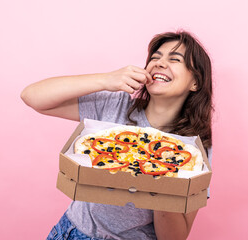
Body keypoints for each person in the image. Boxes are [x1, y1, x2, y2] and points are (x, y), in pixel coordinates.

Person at [21, 30, 213, 240]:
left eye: (175, 59)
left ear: (196, 82)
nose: (159, 63)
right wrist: (107, 79)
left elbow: (174, 237)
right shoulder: (116, 105)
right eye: (155, 57)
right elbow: (32, 96)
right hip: (71, 231)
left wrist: (165, 181)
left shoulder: (192, 148)